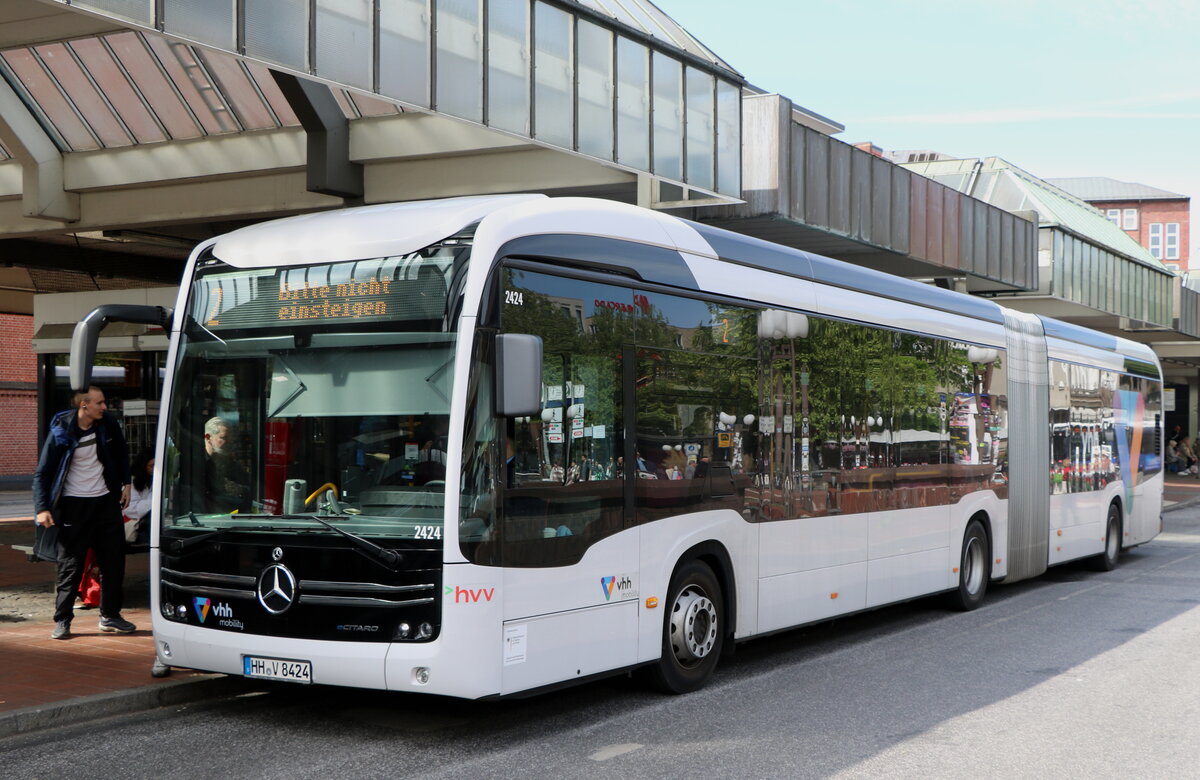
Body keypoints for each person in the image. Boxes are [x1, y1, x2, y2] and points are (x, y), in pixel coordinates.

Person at [32, 385, 135, 640]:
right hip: (74, 506)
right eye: (99, 403)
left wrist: (127, 483)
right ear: (84, 405)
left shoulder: (107, 423)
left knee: (114, 562)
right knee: (71, 565)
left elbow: (121, 453)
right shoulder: (62, 430)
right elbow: (42, 473)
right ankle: (63, 620)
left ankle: (110, 616)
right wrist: (42, 508)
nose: (105, 407)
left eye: (104, 403)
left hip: (105, 502)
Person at [204, 416, 249, 512]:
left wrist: (239, 489)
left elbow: (250, 488)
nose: (229, 443)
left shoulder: (233, 465)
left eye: (231, 439)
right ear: (208, 438)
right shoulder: (194, 464)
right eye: (224, 438)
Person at [124, 450, 154, 544]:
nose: (153, 469)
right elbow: (132, 510)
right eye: (151, 466)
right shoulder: (131, 483)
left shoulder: (151, 480)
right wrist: (154, 500)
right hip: (136, 527)